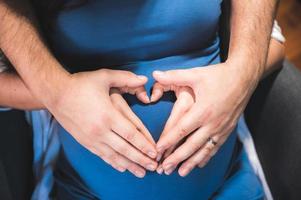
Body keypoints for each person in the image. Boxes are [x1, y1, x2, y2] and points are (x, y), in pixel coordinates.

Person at [0, 0, 281, 199]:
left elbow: (273, 41)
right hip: (86, 192)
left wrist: (238, 79)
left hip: (227, 186)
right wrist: (59, 95)